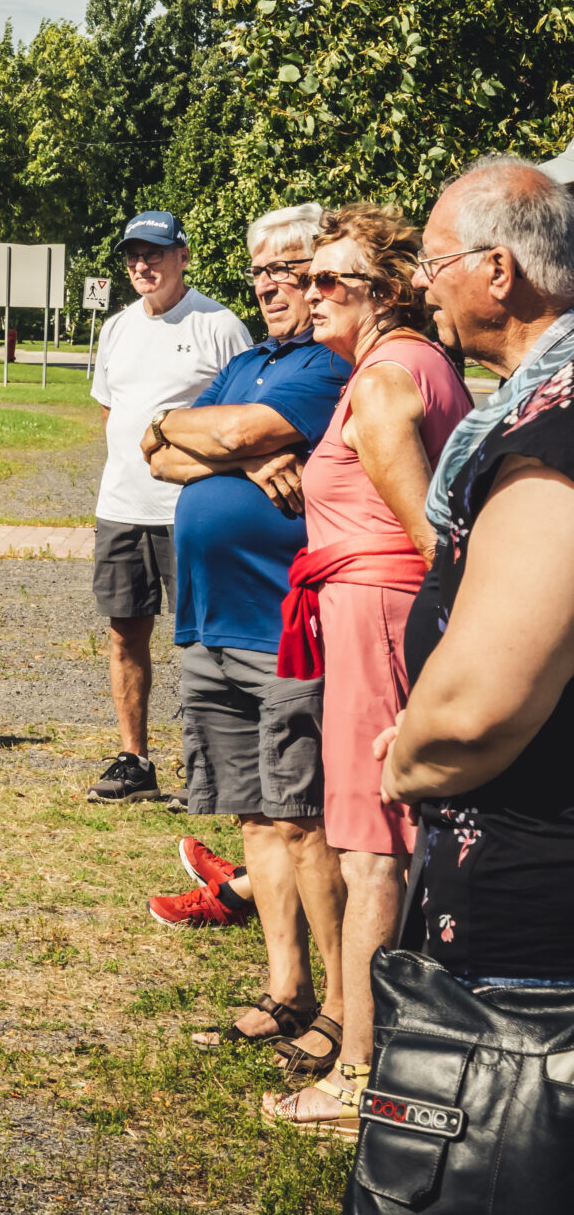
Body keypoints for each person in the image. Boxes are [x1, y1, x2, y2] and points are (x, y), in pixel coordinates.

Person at [262, 202, 470, 1134]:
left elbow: (437, 543)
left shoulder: (387, 381)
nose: (307, 295)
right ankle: (374, 1053)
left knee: (373, 846)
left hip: (379, 621)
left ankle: (358, 1079)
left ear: (386, 293)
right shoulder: (395, 369)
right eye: (304, 279)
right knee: (379, 837)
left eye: (327, 280)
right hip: (363, 616)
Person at [374, 158, 574, 1110]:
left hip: (537, 955)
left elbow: (479, 706)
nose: (422, 281)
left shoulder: (561, 426)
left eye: (435, 258)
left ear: (500, 271)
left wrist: (406, 758)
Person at [138, 206, 350, 1069]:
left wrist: (226, 439)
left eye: (286, 266)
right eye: (258, 268)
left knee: (306, 821)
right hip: (208, 620)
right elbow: (156, 443)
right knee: (255, 816)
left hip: (281, 621)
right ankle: (284, 986)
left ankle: (342, 1005)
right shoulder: (248, 361)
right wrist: (237, 454)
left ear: (323, 274)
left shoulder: (325, 363)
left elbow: (218, 430)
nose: (266, 282)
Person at [87, 211, 253, 803]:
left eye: (155, 254)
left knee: (208, 640)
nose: (143, 265)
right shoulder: (116, 329)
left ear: (183, 255)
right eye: (133, 255)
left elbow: (245, 418)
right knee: (125, 631)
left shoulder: (219, 324)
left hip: (194, 508)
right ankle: (135, 759)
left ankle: (208, 767)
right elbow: (111, 413)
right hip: (123, 506)